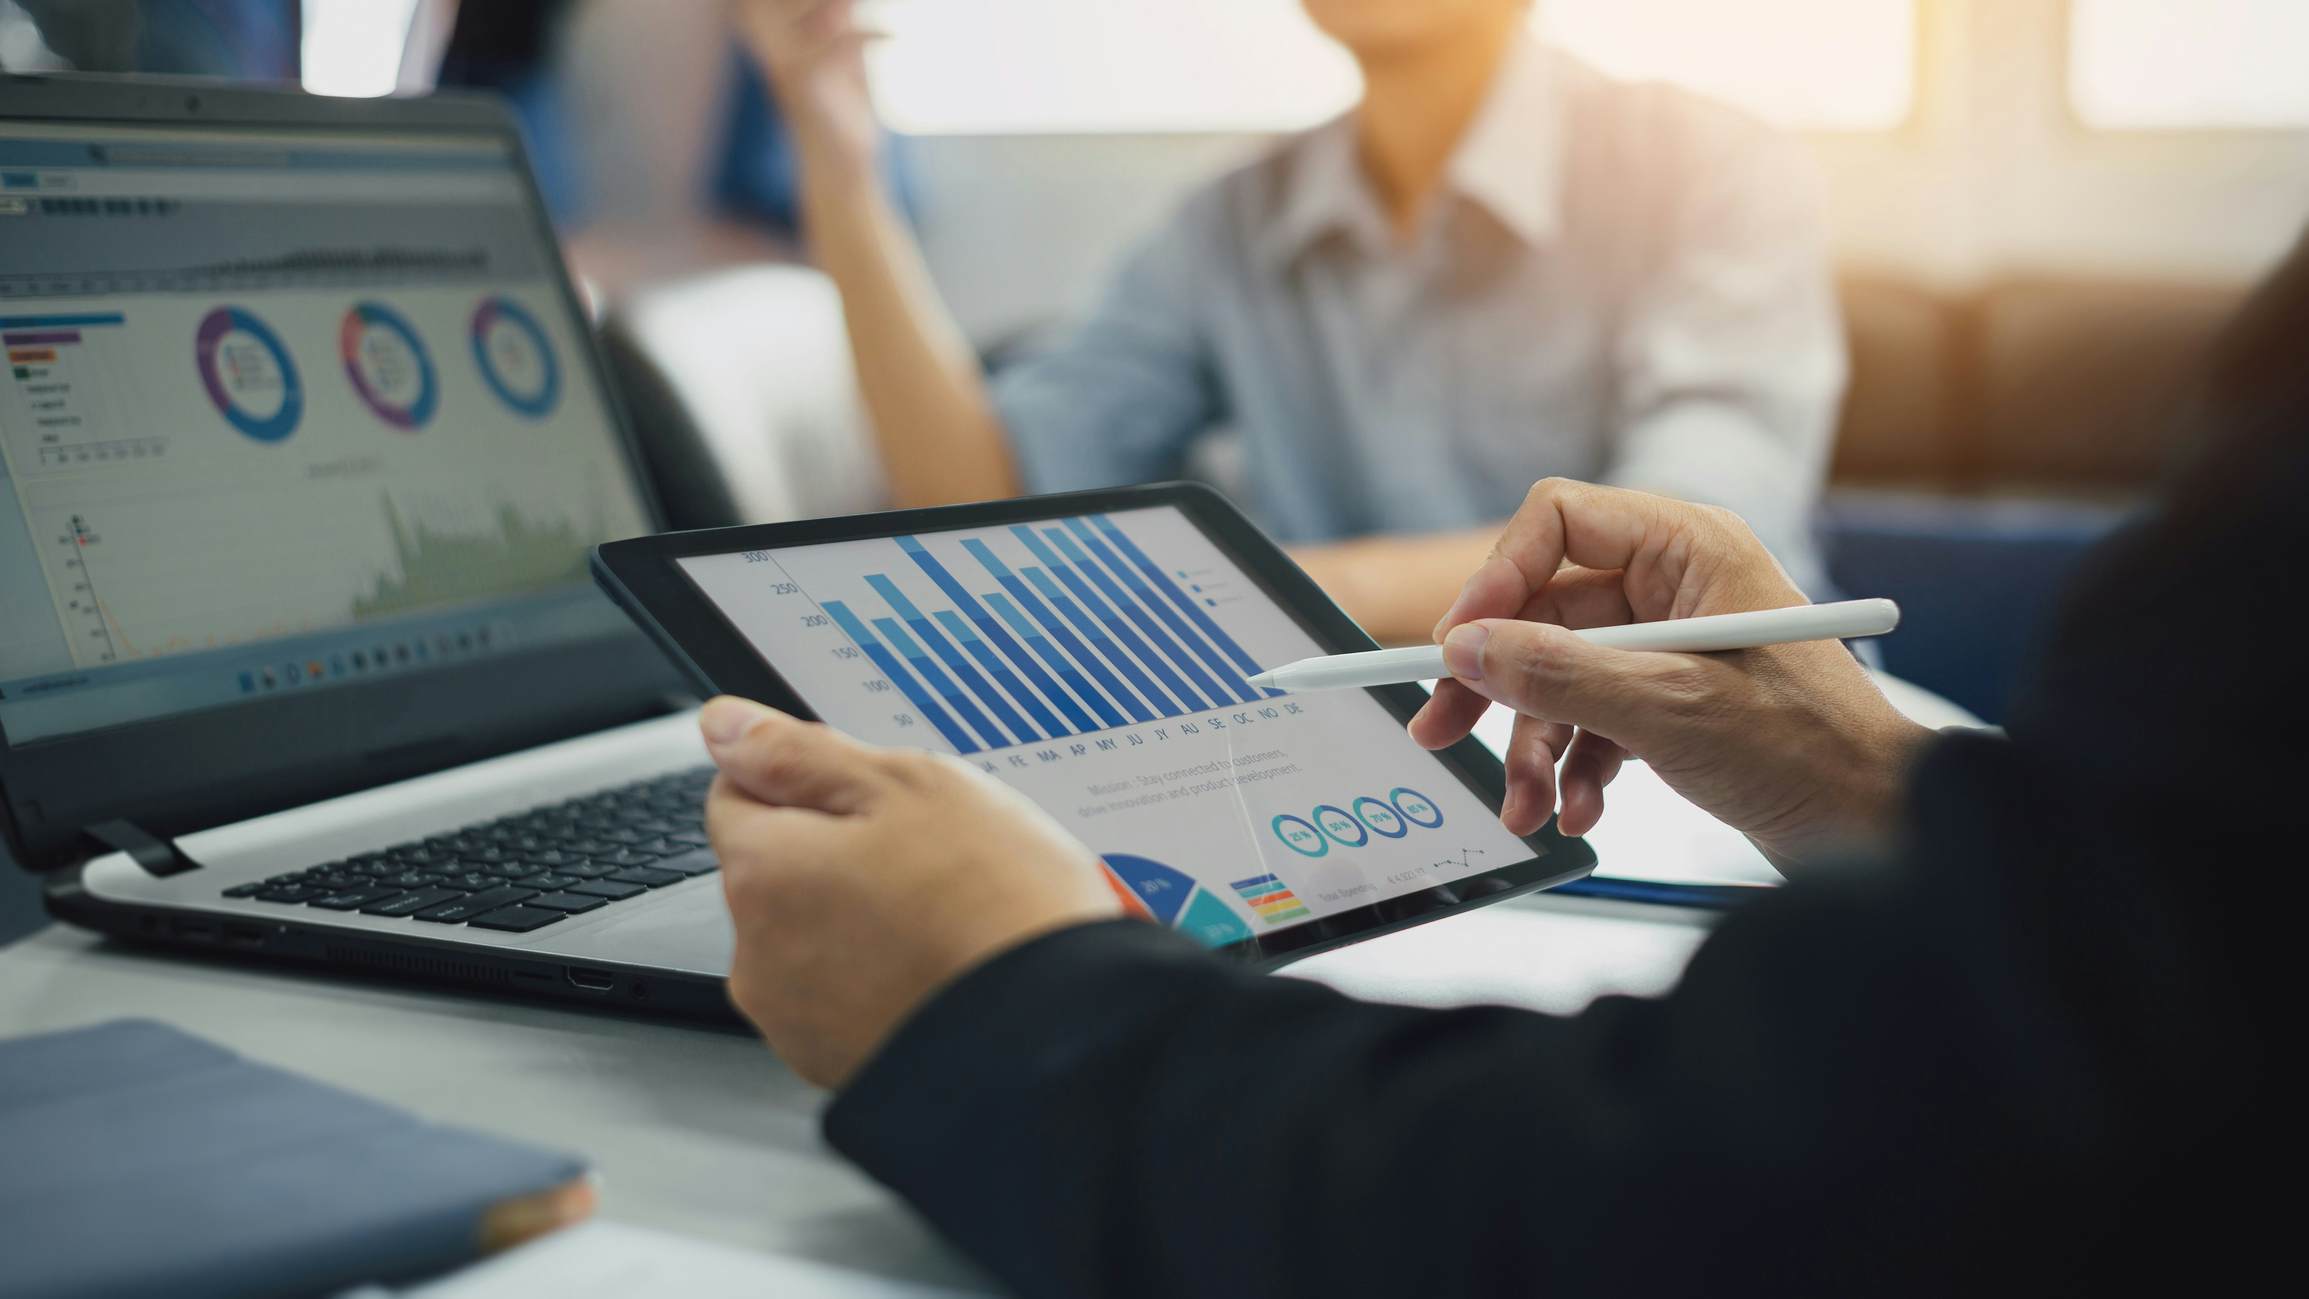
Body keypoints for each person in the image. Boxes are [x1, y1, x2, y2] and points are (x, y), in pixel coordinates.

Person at [688, 230, 2307, 1294]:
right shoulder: (1222, 224)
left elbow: (1767, 1192)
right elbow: (2202, 957)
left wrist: (1016, 1013)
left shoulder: (1684, 162)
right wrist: (1867, 783)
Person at [736, 0, 1845, 642]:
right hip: (1383, 786)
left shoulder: (1715, 170)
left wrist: (1211, 606)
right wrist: (839, 166)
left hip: (1717, 779)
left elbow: (1684, 552)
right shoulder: (1226, 226)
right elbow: (977, 506)